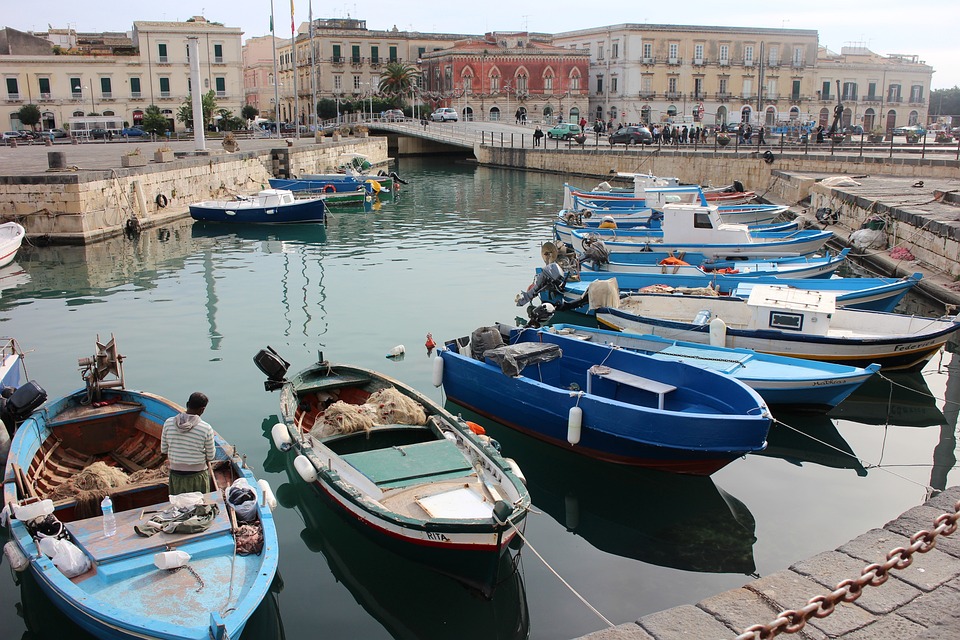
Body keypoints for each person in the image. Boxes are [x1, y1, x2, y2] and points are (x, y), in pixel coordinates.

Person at [161, 392, 215, 495]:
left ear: (187, 404)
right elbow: (211, 456)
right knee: (200, 507)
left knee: (179, 507)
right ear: (202, 409)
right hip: (197, 476)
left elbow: (163, 450)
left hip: (176, 475)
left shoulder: (168, 423)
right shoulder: (206, 428)